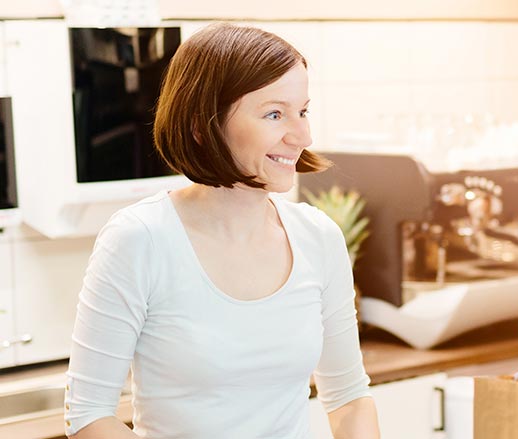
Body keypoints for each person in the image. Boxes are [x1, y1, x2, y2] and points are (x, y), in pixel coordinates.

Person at [65, 22, 380, 438]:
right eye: (274, 113)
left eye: (302, 111)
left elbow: (349, 397)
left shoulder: (317, 236)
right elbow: (89, 415)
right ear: (203, 125)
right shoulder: (140, 239)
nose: (303, 134)